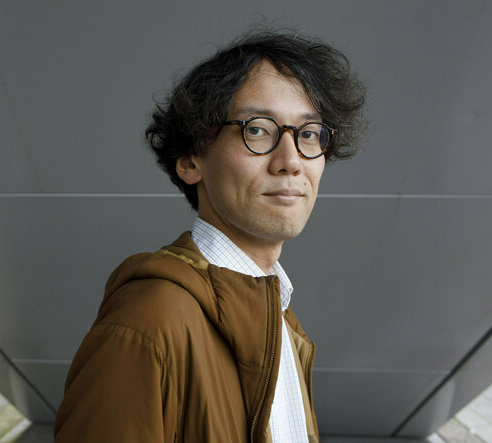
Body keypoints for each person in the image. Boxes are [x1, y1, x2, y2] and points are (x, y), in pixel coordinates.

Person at [54, 30, 366, 443]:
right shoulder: (148, 320)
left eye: (308, 133)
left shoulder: (283, 323)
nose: (291, 161)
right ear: (190, 159)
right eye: (258, 130)